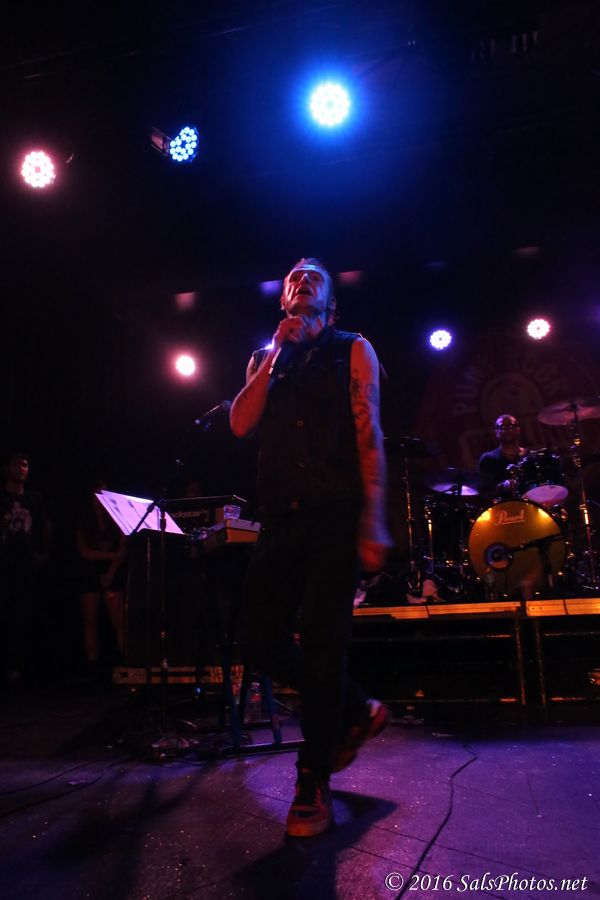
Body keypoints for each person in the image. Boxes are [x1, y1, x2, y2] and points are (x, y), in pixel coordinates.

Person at [230, 257, 392, 837]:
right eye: (293, 277)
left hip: (335, 516)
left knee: (324, 645)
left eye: (313, 275)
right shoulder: (264, 359)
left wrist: (374, 520)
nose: (301, 278)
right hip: (280, 519)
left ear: (331, 301)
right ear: (283, 301)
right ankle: (355, 707)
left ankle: (312, 780)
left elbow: (369, 433)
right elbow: (240, 424)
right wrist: (276, 352)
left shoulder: (355, 350)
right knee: (259, 638)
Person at [0, 449, 52, 685]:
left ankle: (18, 668)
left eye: (25, 465)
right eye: (16, 464)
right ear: (7, 468)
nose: (21, 469)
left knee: (22, 617)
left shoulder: (34, 499)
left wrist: (42, 554)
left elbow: (47, 527)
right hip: (5, 565)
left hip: (26, 567)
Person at [76, 479, 127, 680]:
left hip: (113, 570)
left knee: (119, 621)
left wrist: (111, 571)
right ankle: (93, 668)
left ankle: (125, 662)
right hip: (90, 572)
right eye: (97, 494)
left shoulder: (116, 517)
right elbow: (84, 551)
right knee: (90, 620)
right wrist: (110, 556)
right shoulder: (84, 519)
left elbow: (123, 548)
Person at [478, 414, 527, 497]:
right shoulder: (488, 459)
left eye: (511, 426)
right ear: (496, 432)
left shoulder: (528, 456)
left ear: (518, 429)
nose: (507, 429)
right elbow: (483, 493)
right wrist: (501, 487)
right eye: (502, 427)